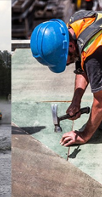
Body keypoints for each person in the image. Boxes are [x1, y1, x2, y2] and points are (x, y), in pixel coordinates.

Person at [30, 10, 102, 147]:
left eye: (65, 61)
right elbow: (81, 65)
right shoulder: (75, 23)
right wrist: (76, 101)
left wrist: (83, 135)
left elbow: (100, 101)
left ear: (70, 46)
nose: (67, 63)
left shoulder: (94, 55)